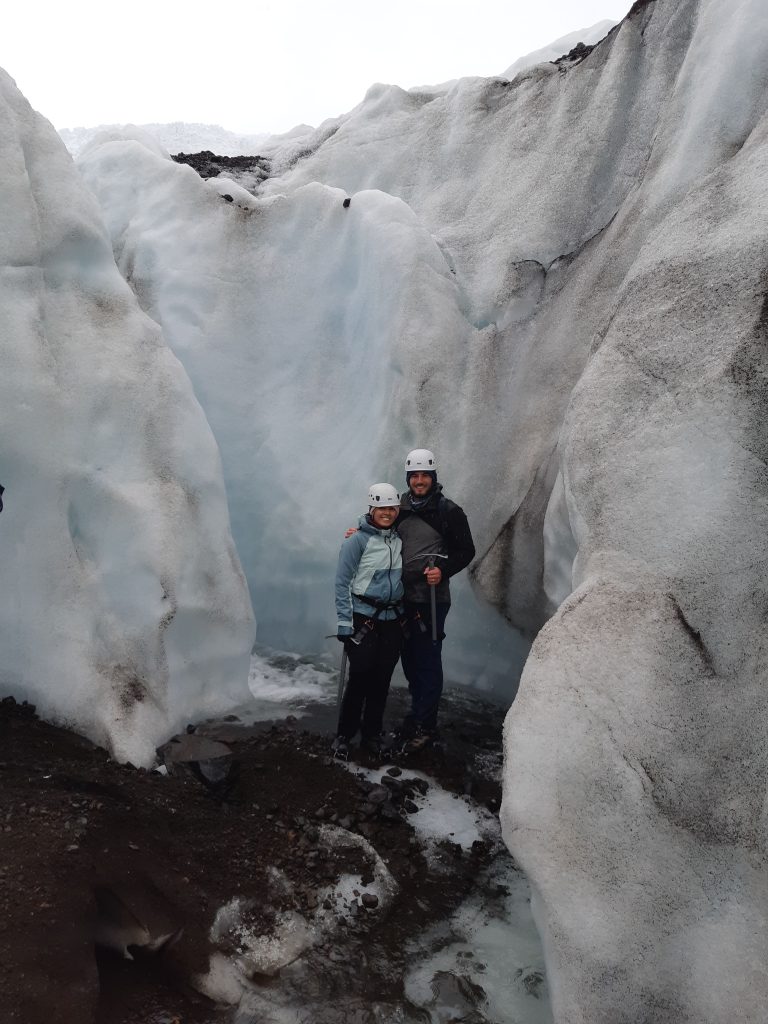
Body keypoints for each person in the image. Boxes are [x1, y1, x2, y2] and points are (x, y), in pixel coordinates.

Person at [396, 448, 475, 752]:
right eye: (414, 475)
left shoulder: (448, 511)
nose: (419, 480)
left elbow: (465, 551)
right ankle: (417, 714)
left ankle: (426, 726)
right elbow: (376, 525)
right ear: (408, 477)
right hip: (401, 597)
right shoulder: (399, 507)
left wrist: (442, 570)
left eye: (424, 475)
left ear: (433, 477)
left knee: (427, 659)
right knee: (410, 659)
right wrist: (357, 531)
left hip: (431, 599)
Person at [333, 483, 404, 761]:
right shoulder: (356, 541)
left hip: (391, 619)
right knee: (360, 677)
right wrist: (343, 622)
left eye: (391, 508)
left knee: (382, 679)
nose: (386, 513)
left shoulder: (397, 540)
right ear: (371, 509)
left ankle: (371, 734)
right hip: (363, 617)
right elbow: (342, 582)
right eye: (381, 508)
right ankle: (345, 735)